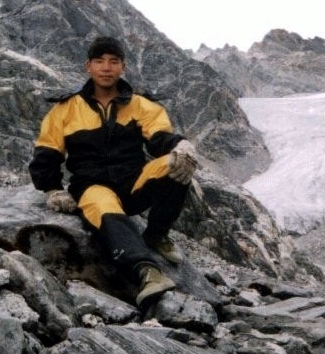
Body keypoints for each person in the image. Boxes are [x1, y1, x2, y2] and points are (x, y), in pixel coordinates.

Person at [28, 36, 199, 305]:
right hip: (91, 185)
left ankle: (156, 234)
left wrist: (181, 145)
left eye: (113, 62)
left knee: (176, 164)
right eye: (99, 61)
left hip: (133, 181)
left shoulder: (142, 105)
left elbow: (159, 139)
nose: (106, 68)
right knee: (105, 207)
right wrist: (52, 188)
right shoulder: (65, 109)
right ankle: (148, 272)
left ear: (123, 68)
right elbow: (48, 151)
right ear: (88, 67)